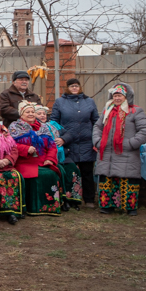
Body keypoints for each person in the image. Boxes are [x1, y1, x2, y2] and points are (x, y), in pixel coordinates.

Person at [93, 83, 146, 215]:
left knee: (126, 178)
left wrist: (131, 143)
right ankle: (107, 206)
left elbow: (145, 130)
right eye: (115, 95)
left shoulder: (135, 111)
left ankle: (129, 207)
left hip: (127, 153)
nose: (117, 98)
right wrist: (98, 141)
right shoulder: (107, 110)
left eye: (120, 95)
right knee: (107, 178)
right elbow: (97, 127)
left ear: (126, 97)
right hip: (106, 152)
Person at [49, 78, 99, 207]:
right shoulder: (60, 102)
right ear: (67, 88)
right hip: (68, 142)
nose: (74, 88)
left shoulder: (89, 102)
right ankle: (71, 199)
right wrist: (61, 137)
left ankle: (89, 200)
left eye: (77, 86)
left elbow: (96, 121)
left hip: (87, 142)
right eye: (72, 86)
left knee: (87, 172)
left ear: (80, 87)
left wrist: (95, 138)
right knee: (70, 172)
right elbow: (54, 122)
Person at [10, 101, 63, 217]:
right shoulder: (15, 127)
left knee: (51, 173)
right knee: (38, 175)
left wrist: (50, 159)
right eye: (27, 112)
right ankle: (33, 207)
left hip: (42, 161)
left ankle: (49, 206)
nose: (31, 114)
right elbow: (11, 146)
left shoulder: (43, 127)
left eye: (32, 112)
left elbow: (52, 146)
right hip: (25, 161)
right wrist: (25, 148)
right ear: (21, 114)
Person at [37, 107, 82, 210]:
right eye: (39, 113)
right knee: (61, 172)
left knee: (73, 170)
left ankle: (74, 200)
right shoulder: (36, 127)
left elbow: (68, 134)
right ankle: (64, 200)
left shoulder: (54, 124)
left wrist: (63, 139)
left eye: (44, 113)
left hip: (63, 155)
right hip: (48, 157)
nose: (42, 115)